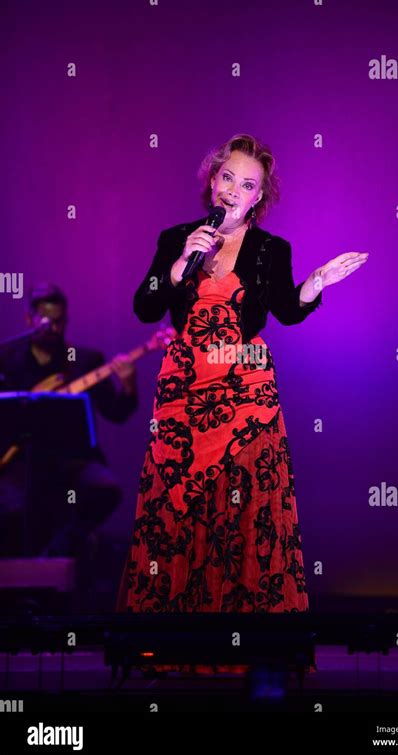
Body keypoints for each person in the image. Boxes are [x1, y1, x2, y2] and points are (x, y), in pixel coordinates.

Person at [116, 134, 368, 673]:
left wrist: (316, 283)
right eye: (227, 178)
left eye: (247, 185)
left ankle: (252, 650)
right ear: (212, 181)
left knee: (242, 516)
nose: (234, 190)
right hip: (183, 391)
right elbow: (145, 305)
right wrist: (183, 263)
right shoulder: (177, 238)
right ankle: (172, 648)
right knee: (176, 512)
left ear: (258, 198)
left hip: (246, 396)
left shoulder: (270, 250)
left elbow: (285, 310)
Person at [0, 283, 138, 559]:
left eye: (60, 321)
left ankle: (53, 559)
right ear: (30, 320)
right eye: (46, 321)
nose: (54, 328)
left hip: (73, 460)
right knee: (12, 507)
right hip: (21, 461)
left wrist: (129, 386)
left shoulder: (85, 361)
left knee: (105, 490)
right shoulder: (6, 359)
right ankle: (18, 586)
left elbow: (116, 413)